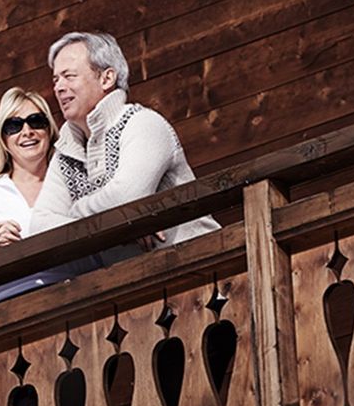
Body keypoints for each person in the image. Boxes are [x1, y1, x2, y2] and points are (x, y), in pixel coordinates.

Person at [30, 30, 219, 246]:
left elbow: (126, 198)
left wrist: (73, 212)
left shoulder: (143, 123)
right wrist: (118, 226)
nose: (59, 88)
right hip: (132, 275)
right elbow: (38, 227)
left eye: (69, 76)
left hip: (204, 266)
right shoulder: (66, 154)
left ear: (107, 78)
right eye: (56, 80)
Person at [0, 86, 98, 300]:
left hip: (79, 293)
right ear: (3, 140)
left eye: (36, 121)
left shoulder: (75, 177)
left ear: (49, 131)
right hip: (13, 305)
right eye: (14, 126)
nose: (27, 131)